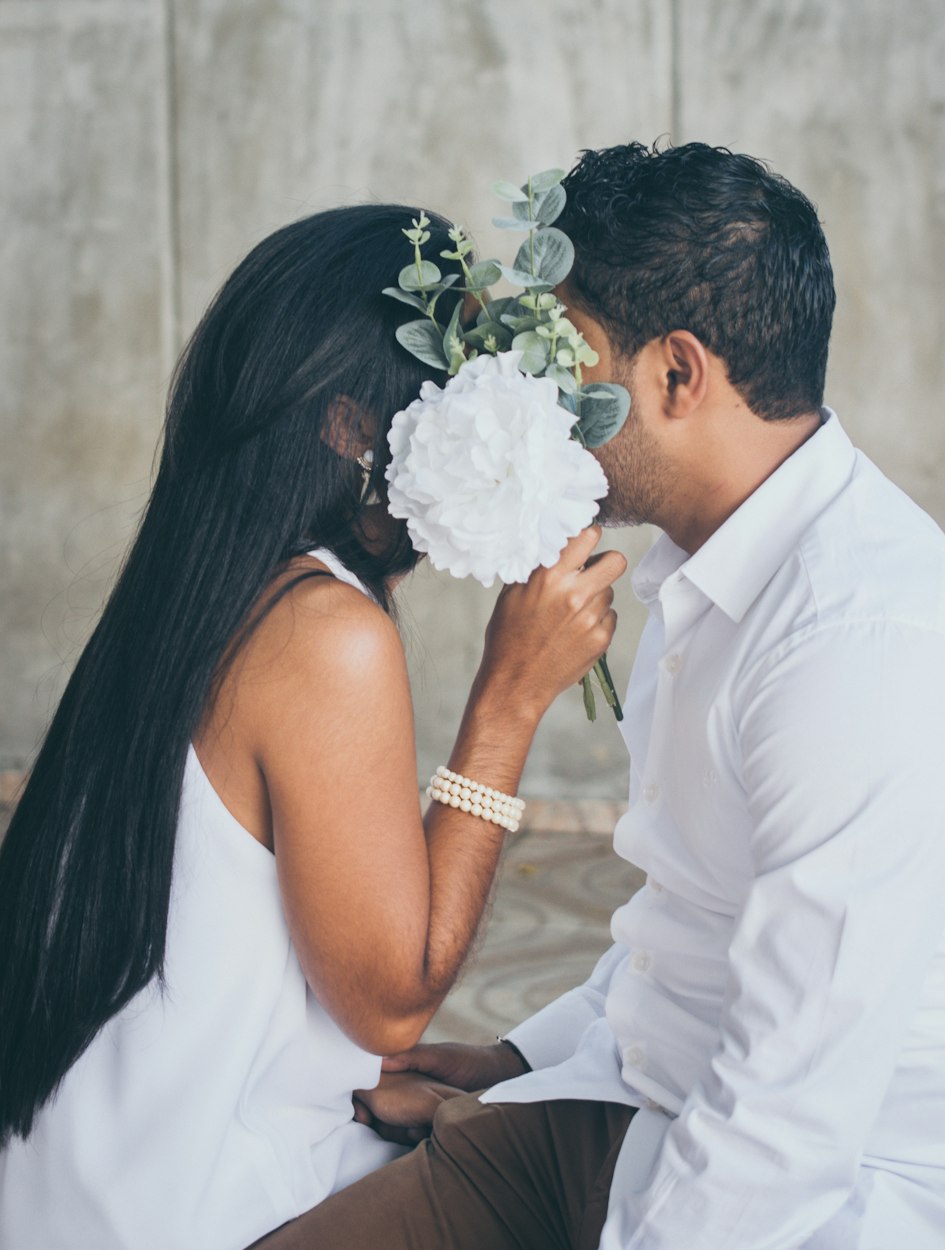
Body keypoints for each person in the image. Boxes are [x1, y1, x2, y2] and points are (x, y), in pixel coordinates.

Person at [251, 144, 945, 1249]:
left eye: (569, 361)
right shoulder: (701, 572)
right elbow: (686, 925)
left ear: (676, 375)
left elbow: (784, 1130)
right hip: (626, 1105)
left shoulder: (864, 648)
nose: (542, 402)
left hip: (843, 1193)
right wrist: (520, 1061)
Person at [0, 204, 626, 1250]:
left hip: (75, 1192)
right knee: (597, 1156)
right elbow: (390, 1006)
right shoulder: (324, 630)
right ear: (347, 426)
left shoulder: (203, 591)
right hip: (198, 1213)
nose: (484, 415)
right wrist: (508, 698)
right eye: (452, 385)